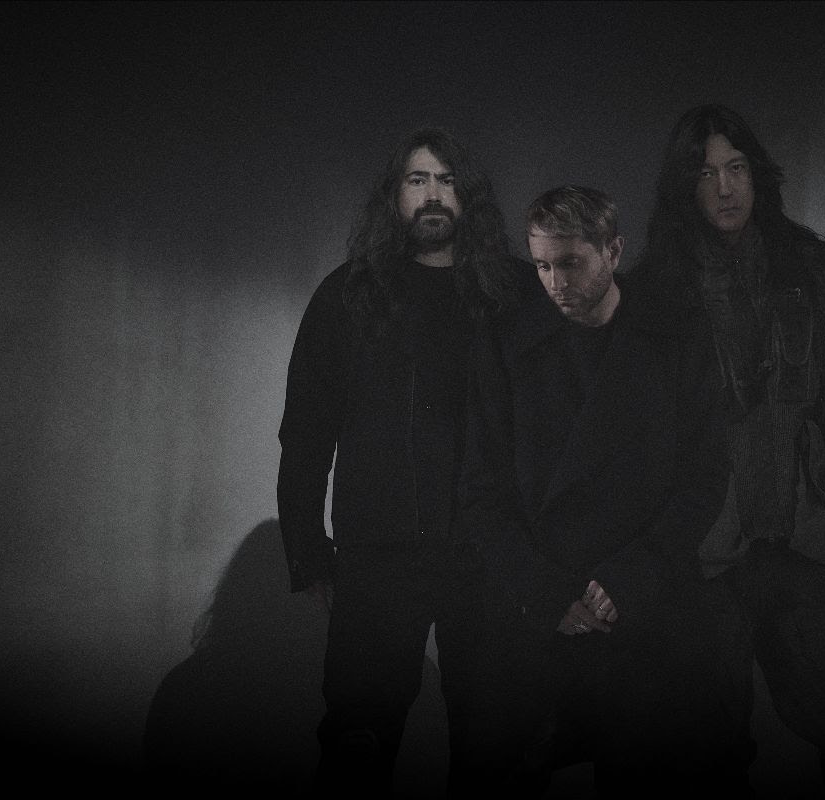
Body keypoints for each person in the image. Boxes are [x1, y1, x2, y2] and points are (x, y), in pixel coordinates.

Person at [632, 104, 825, 796]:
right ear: (684, 185)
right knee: (699, 752)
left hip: (804, 538)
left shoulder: (811, 271)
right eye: (706, 173)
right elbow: (635, 439)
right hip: (702, 555)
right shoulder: (655, 291)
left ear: (757, 175)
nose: (725, 188)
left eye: (736, 168)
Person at [457, 185, 752, 797]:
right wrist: (544, 591)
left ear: (613, 252)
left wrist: (634, 576)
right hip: (541, 611)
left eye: (571, 263)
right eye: (542, 266)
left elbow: (705, 475)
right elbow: (481, 491)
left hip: (643, 609)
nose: (555, 283)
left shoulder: (675, 334)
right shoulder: (507, 342)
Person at [275, 127, 522, 795]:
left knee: (496, 749)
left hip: (490, 556)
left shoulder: (513, 295)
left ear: (469, 196)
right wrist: (307, 550)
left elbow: (559, 429)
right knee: (357, 744)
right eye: (418, 180)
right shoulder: (348, 294)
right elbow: (306, 432)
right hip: (380, 557)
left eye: (447, 180)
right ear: (394, 195)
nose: (433, 194)